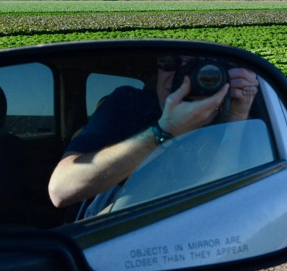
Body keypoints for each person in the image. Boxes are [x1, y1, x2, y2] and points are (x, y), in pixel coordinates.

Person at [47, 55, 259, 218]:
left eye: (197, 68)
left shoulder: (225, 123)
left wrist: (238, 115)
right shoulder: (128, 104)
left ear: (223, 77)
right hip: (98, 237)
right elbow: (61, 189)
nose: (180, 75)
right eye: (169, 62)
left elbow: (220, 207)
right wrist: (164, 131)